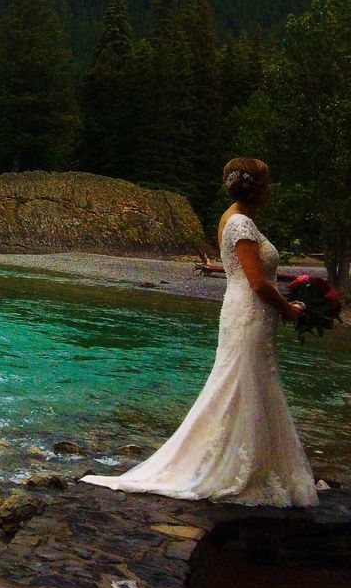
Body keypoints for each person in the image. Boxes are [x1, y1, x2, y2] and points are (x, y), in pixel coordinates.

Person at [81, 157, 318, 506]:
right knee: (243, 383)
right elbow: (256, 282)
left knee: (247, 382)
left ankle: (252, 462)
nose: (271, 191)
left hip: (244, 310)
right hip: (249, 309)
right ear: (259, 189)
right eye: (268, 185)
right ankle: (235, 466)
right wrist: (288, 307)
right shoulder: (240, 224)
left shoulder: (234, 218)